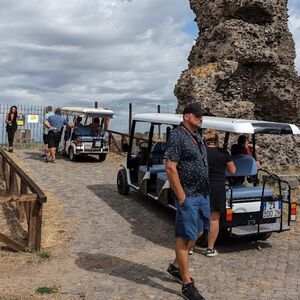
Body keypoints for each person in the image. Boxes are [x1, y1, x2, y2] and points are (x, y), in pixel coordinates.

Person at [165, 102, 209, 300]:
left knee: (198, 232)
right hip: (188, 196)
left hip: (201, 194)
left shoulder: (197, 136)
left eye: (202, 116)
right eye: (198, 115)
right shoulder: (177, 136)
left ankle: (175, 266)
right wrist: (181, 197)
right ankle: (186, 283)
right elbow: (170, 167)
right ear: (186, 117)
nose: (201, 118)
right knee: (184, 238)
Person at [204, 129, 236, 257]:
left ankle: (189, 247)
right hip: (218, 187)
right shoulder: (223, 152)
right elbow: (233, 170)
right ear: (217, 139)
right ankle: (210, 249)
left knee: (198, 216)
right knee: (214, 218)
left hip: (203, 186)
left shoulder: (202, 152)